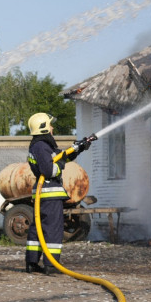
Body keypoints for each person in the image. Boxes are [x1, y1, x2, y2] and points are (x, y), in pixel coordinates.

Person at [25, 112, 91, 274]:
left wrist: (78, 148)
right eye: (50, 125)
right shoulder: (41, 146)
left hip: (43, 194)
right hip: (50, 193)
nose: (52, 127)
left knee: (37, 228)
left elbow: (61, 156)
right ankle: (51, 264)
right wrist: (61, 163)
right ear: (43, 128)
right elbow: (49, 170)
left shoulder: (41, 145)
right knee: (53, 228)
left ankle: (32, 262)